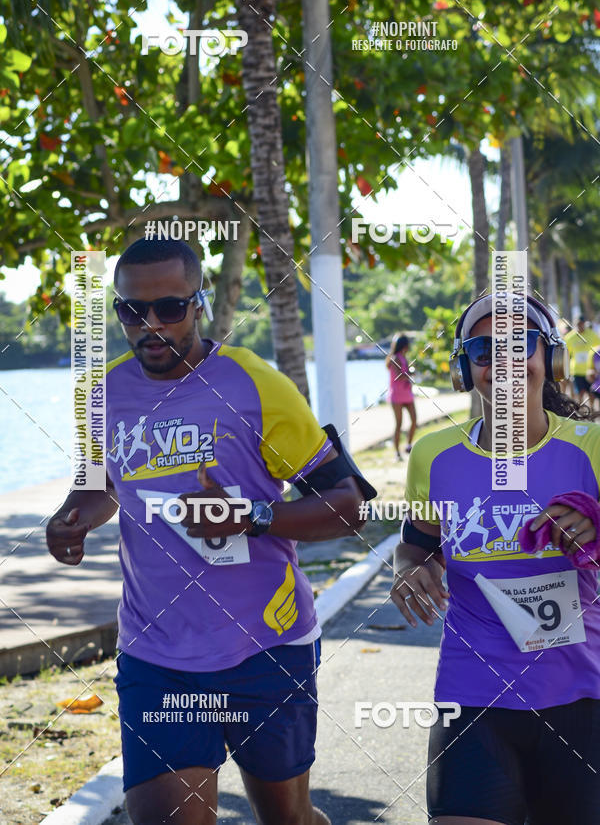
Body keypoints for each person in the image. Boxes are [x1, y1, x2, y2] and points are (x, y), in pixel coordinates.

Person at [46, 237, 374, 825]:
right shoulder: (100, 395)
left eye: (169, 309)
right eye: (131, 311)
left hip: (266, 648)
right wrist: (72, 519)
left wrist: (252, 516)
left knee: (287, 818)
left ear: (199, 304)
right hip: (158, 653)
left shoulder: (254, 384)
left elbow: (347, 506)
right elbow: (102, 486)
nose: (151, 326)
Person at [390, 293, 600, 825]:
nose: (502, 365)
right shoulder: (433, 455)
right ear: (466, 368)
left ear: (550, 359)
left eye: (518, 346)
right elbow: (417, 541)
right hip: (474, 691)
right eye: (484, 351)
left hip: (581, 693)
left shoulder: (591, 447)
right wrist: (409, 569)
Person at [385, 333, 417, 460]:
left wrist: (410, 373)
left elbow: (406, 373)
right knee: (399, 424)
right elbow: (400, 376)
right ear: (404, 345)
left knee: (414, 420)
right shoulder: (395, 358)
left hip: (406, 393)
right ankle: (397, 453)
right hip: (397, 395)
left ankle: (408, 445)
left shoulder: (403, 358)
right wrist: (411, 373)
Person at [564, 316, 600, 405]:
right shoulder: (569, 337)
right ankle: (580, 409)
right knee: (579, 392)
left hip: (589, 370)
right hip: (576, 370)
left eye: (581, 324)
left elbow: (597, 350)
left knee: (591, 392)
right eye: (577, 324)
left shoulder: (592, 335)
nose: (579, 326)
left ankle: (591, 411)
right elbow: (566, 353)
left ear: (584, 324)